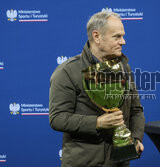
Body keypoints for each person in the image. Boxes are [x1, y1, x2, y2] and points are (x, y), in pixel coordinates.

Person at [49, 11, 145, 167]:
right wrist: (97, 122)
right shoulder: (67, 71)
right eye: (117, 36)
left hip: (120, 161)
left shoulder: (125, 68)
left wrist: (136, 138)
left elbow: (136, 110)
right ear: (97, 36)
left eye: (122, 36)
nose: (123, 41)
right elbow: (57, 118)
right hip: (83, 162)